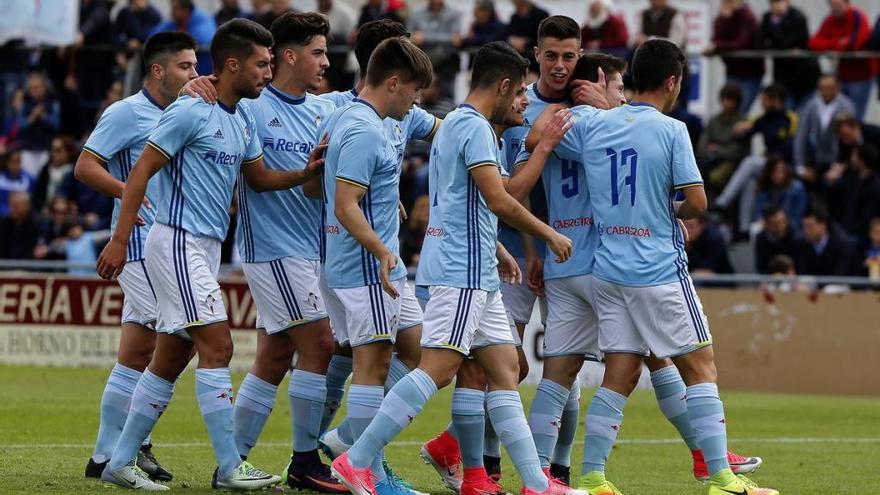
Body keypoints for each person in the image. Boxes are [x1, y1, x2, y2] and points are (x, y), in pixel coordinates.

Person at [329, 40, 579, 495]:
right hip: (460, 272)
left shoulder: (456, 125)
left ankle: (536, 485)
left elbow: (459, 202)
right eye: (520, 89)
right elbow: (498, 198)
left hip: (476, 268)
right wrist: (549, 234)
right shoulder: (475, 127)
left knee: (505, 368)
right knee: (439, 369)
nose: (524, 99)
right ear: (503, 85)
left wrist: (498, 250)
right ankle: (357, 458)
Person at [95, 19, 324, 491]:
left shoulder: (241, 117)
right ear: (234, 64)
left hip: (204, 246)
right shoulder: (188, 111)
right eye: (262, 63)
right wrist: (120, 240)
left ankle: (118, 460)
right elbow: (140, 173)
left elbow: (258, 178)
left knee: (171, 356)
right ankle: (229, 466)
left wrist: (305, 174)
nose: (268, 72)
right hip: (176, 239)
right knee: (217, 345)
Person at [550, 38, 777, 495]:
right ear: (672, 82)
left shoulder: (597, 125)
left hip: (608, 270)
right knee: (701, 367)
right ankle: (722, 478)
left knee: (619, 374)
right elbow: (697, 202)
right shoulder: (672, 130)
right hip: (656, 269)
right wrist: (664, 211)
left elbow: (543, 136)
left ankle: (593, 477)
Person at [314, 22, 441, 475]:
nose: (416, 100)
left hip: (378, 265)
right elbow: (345, 205)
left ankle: (345, 440)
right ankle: (368, 469)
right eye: (412, 90)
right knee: (372, 363)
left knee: (424, 357)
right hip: (368, 266)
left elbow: (355, 192)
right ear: (392, 82)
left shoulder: (374, 121)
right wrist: (383, 251)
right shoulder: (363, 127)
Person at [75, 32, 199, 484]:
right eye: (185, 65)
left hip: (173, 243)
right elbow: (86, 166)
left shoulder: (188, 113)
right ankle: (122, 450)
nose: (194, 72)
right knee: (165, 343)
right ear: (158, 70)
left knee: (140, 349)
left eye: (196, 63)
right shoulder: (127, 112)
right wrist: (132, 194)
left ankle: (111, 452)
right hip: (140, 242)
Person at [808, 0, 876, 121]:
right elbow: (813, 43)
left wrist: (831, 45)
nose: (834, 8)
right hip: (842, 76)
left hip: (861, 76)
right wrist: (838, 42)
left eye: (837, 5)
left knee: (854, 119)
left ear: (847, 3)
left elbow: (855, 44)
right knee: (838, 118)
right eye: (831, 5)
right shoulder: (830, 20)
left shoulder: (857, 17)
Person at [755, 0, 817, 109]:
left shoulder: (798, 17)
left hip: (803, 77)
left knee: (803, 114)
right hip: (783, 78)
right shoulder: (767, 17)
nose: (776, 5)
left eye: (779, 1)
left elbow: (789, 42)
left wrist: (774, 26)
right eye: (773, 2)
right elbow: (759, 43)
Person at [793, 74, 855, 184]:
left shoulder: (846, 106)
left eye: (829, 88)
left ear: (837, 88)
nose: (826, 92)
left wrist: (839, 167)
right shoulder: (811, 105)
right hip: (815, 158)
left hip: (837, 161)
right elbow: (801, 135)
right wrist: (800, 167)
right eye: (823, 88)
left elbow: (850, 140)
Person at [705, 0, 763, 114]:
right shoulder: (723, 17)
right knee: (729, 110)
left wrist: (717, 47)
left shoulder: (748, 16)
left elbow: (741, 43)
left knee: (740, 111)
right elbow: (716, 38)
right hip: (733, 71)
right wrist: (724, 19)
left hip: (750, 73)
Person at [696, 84, 749, 192]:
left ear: (736, 102)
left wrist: (717, 149)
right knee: (695, 175)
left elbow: (738, 152)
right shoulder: (714, 120)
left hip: (730, 163)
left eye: (730, 100)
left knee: (717, 176)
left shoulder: (742, 122)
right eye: (724, 99)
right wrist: (709, 151)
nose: (726, 103)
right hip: (709, 159)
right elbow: (702, 144)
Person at [825, 143, 880, 243]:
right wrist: (831, 181)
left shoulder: (875, 186)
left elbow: (867, 218)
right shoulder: (852, 176)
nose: (851, 158)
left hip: (857, 233)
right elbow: (835, 197)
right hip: (840, 224)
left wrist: (848, 230)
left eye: (854, 155)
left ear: (862, 161)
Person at [408, 0, 461, 97]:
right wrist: (446, 38)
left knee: (447, 101)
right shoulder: (417, 13)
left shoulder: (453, 14)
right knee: (418, 100)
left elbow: (456, 40)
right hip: (421, 66)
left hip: (446, 65)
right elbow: (410, 37)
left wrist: (425, 38)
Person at [150, 0, 217, 75]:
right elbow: (153, 35)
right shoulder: (175, 22)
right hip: (185, 71)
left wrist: (172, 40)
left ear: (185, 10)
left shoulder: (203, 18)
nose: (171, 13)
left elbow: (203, 38)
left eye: (175, 8)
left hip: (204, 71)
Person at [16, 72, 60, 176]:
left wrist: (43, 116)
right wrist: (33, 116)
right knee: (29, 178)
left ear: (44, 87)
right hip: (28, 149)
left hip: (46, 148)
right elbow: (20, 127)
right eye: (32, 88)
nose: (35, 90)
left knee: (44, 179)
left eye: (38, 87)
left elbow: (56, 125)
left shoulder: (52, 103)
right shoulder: (25, 104)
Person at [753, 155, 808, 232]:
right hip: (769, 224)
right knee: (755, 229)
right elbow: (759, 212)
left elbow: (798, 215)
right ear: (769, 173)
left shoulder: (796, 188)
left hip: (790, 225)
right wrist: (764, 220)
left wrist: (783, 222)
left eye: (782, 171)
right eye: (775, 171)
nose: (779, 175)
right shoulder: (764, 188)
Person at [795, 210, 858, 277]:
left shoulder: (842, 246)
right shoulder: (801, 246)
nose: (806, 231)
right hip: (811, 285)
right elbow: (801, 272)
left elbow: (840, 274)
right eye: (804, 227)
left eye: (810, 227)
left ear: (823, 225)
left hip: (838, 284)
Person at [508, 0, 551, 72]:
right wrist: (512, 40)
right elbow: (509, 34)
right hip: (517, 55)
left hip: (535, 56)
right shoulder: (514, 17)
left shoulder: (541, 14)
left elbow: (547, 38)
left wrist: (526, 43)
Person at [755, 206, 800, 275]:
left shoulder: (795, 237)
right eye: (776, 223)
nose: (782, 226)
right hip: (771, 278)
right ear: (767, 225)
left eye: (783, 221)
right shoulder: (761, 239)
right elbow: (761, 267)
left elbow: (800, 265)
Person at [0, 191, 39, 259]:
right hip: (5, 267)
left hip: (29, 267)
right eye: (11, 205)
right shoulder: (3, 224)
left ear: (27, 206)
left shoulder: (37, 225)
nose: (12, 209)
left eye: (16, 206)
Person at [0, 149, 35, 218]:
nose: (16, 164)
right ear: (7, 162)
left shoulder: (29, 179)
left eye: (18, 161)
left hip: (23, 216)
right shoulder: (1, 178)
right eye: (13, 161)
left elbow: (32, 201)